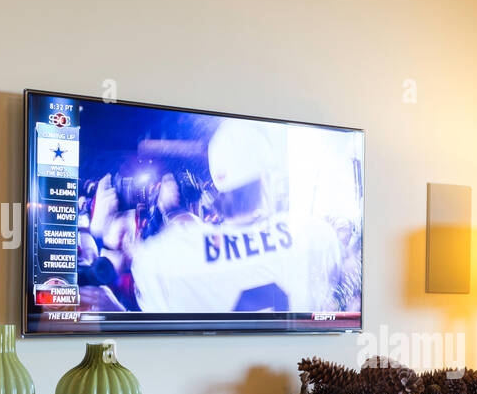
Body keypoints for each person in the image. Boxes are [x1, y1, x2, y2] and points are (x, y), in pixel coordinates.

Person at [130, 119, 342, 314]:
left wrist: (172, 212)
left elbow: (152, 265)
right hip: (301, 355)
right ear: (265, 179)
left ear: (218, 184)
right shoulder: (313, 235)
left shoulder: (164, 257)